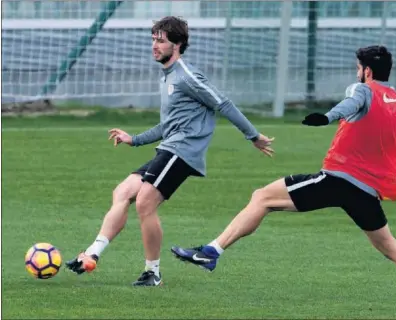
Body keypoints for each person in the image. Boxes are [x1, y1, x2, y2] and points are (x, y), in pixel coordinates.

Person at [171, 45, 396, 311]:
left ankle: (211, 252)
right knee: (390, 246)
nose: (356, 72)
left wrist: (327, 117)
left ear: (366, 71)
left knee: (262, 197)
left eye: (357, 68)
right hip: (367, 191)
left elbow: (350, 105)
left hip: (338, 180)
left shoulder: (363, 89)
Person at [65, 16, 274, 286]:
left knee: (145, 202)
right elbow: (168, 125)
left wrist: (253, 136)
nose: (154, 45)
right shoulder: (167, 76)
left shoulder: (186, 75)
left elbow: (223, 103)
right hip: (169, 148)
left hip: (183, 151)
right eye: (153, 39)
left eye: (160, 41)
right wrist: (135, 139)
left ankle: (152, 272)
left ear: (177, 45)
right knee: (123, 192)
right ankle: (92, 254)